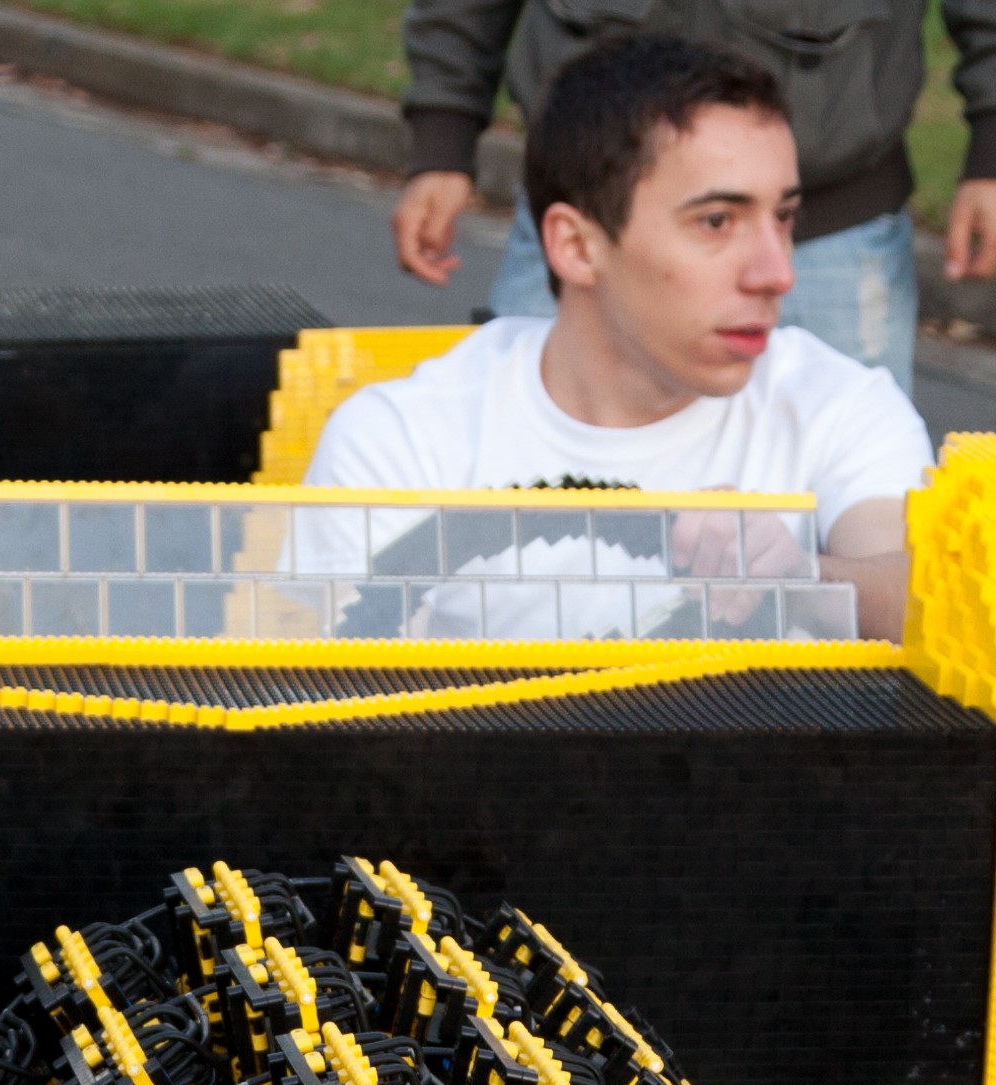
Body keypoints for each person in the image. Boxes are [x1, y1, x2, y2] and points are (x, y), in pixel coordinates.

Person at [308, 35, 931, 642]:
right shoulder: (401, 437)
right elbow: (334, 693)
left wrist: (801, 579)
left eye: (784, 217)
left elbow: (925, 601)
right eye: (717, 222)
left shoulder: (840, 403)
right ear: (577, 247)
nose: (777, 274)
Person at [390, 0, 996, 393]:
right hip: (593, 211)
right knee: (519, 507)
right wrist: (443, 134)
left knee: (841, 529)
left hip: (828, 227)